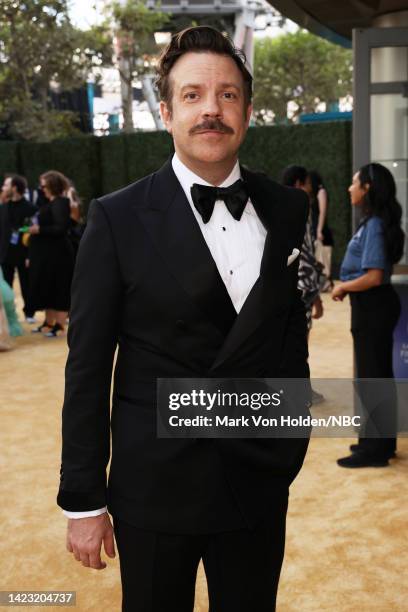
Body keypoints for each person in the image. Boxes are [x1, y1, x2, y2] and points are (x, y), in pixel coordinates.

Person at [57, 27, 311, 612]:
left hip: (255, 480)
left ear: (247, 111)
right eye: (193, 95)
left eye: (227, 96)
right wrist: (84, 501)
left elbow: (287, 338)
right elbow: (88, 369)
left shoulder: (284, 206)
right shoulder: (116, 218)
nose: (211, 111)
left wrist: (288, 443)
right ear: (167, 112)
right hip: (155, 489)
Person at [333, 162, 404, 468]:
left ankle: (374, 450)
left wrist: (343, 286)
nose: (350, 188)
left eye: (354, 183)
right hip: (373, 305)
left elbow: (374, 276)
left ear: (367, 189)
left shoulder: (374, 225)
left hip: (373, 304)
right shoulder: (372, 222)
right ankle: (377, 443)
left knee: (372, 377)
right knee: (374, 375)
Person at [28, 171, 74, 338]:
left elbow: (61, 228)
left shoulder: (61, 202)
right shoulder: (50, 202)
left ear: (53, 186)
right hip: (49, 255)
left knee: (60, 287)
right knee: (49, 287)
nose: (41, 189)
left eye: (44, 186)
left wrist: (39, 229)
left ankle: (60, 325)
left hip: (59, 255)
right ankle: (49, 322)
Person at [281, 165, 325, 330]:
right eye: (307, 183)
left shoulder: (278, 207)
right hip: (301, 288)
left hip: (283, 288)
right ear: (299, 183)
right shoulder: (300, 208)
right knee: (298, 345)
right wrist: (315, 295)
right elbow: (306, 253)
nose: (310, 187)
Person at [0, 174, 37, 322]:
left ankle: (29, 313)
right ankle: (8, 316)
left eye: (7, 185)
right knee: (5, 286)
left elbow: (33, 235)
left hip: (23, 253)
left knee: (27, 284)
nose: (4, 187)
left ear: (14, 188)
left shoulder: (31, 208)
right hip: (5, 253)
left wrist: (30, 255)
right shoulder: (3, 208)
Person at [308, 170, 334, 291]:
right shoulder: (314, 194)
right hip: (317, 229)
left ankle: (327, 283)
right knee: (318, 258)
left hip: (322, 231)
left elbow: (322, 212)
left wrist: (319, 230)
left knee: (324, 258)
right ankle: (323, 283)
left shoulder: (321, 191)